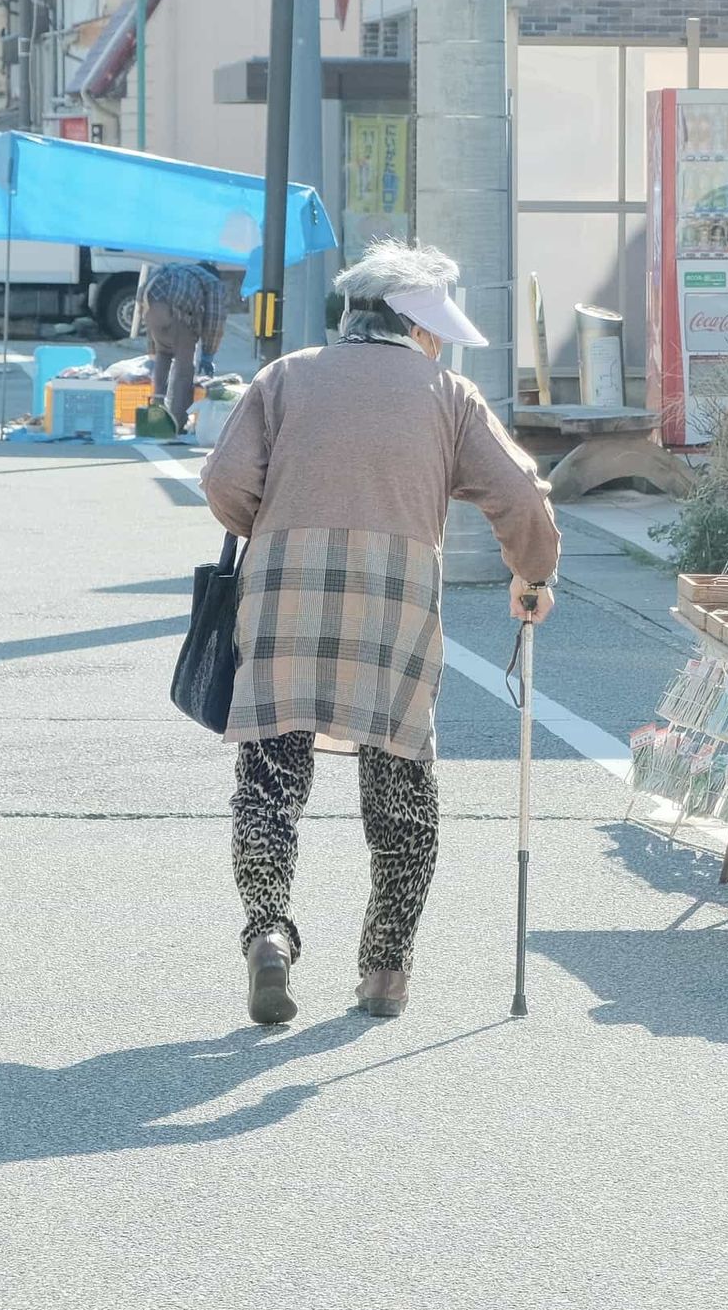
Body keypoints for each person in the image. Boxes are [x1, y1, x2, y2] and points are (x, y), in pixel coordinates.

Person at [200, 240, 560, 1026]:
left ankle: (267, 930)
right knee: (402, 794)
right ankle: (385, 972)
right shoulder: (447, 394)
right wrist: (531, 576)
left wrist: (274, 524)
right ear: (418, 327)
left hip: (284, 591)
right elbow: (521, 496)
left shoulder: (285, 377)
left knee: (268, 780)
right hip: (394, 606)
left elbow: (225, 481)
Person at [140, 260, 226, 434]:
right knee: (184, 370)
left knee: (162, 357)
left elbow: (145, 307)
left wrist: (151, 351)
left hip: (151, 307)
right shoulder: (211, 281)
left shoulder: (174, 270)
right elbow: (215, 319)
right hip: (177, 313)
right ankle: (176, 423)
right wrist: (208, 353)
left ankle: (155, 421)